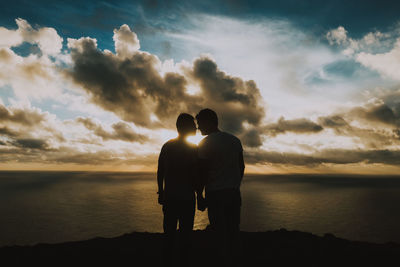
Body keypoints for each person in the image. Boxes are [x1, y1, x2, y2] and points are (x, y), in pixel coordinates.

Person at [196, 108, 245, 266]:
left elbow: (202, 172)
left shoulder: (205, 143)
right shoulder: (234, 140)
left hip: (215, 193)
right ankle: (234, 259)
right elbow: (241, 166)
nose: (198, 128)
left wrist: (199, 196)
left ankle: (221, 260)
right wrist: (235, 184)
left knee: (218, 231)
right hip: (233, 192)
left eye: (200, 124)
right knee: (233, 230)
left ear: (209, 122)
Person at [157, 113, 204, 266]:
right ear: (182, 127)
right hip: (186, 199)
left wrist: (161, 192)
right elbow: (196, 174)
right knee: (184, 236)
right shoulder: (193, 149)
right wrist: (200, 195)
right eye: (192, 126)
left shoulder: (167, 146)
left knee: (169, 234)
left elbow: (160, 171)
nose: (196, 128)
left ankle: (168, 260)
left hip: (172, 198)